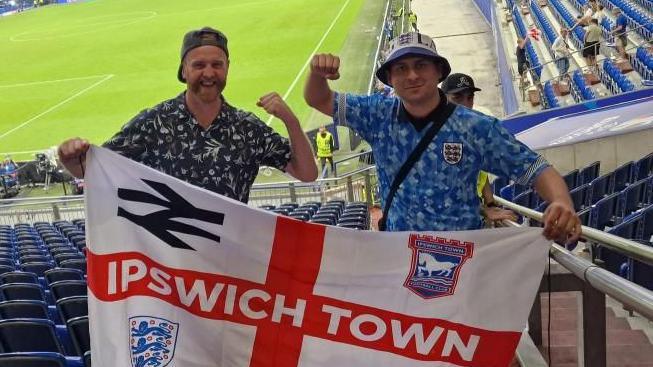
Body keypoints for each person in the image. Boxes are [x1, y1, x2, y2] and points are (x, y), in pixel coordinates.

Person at [304, 32, 581, 242]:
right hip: (400, 255)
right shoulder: (376, 114)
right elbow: (318, 97)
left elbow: (537, 169)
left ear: (438, 71)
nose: (412, 75)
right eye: (401, 68)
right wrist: (317, 74)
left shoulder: (476, 128)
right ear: (389, 78)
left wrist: (561, 203)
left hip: (461, 262)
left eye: (421, 65)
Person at [58, 27, 317, 203]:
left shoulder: (247, 128)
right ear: (184, 70)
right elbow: (96, 168)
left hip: (230, 266)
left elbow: (306, 173)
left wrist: (290, 120)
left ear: (227, 68)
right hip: (173, 269)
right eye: (199, 65)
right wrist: (71, 161)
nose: (209, 73)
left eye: (217, 64)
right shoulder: (155, 122)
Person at [441, 73, 518, 224]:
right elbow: (447, 194)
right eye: (457, 98)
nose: (465, 104)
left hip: (476, 213)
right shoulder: (438, 137)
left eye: (469, 98)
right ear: (443, 99)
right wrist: (483, 209)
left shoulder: (474, 132)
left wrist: (490, 203)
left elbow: (482, 174)